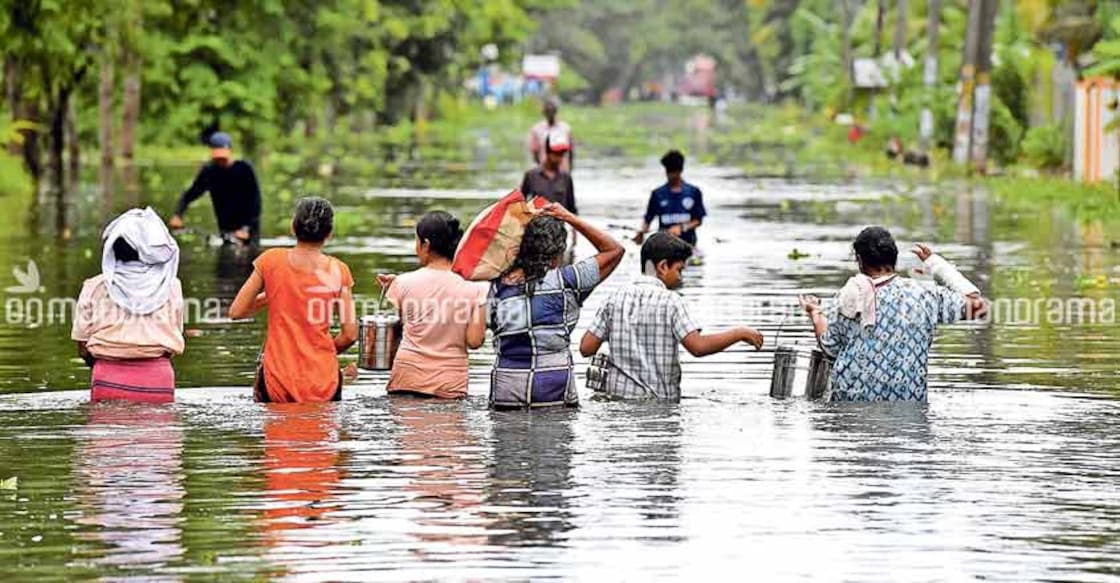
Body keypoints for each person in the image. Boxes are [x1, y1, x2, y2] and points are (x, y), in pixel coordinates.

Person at [799, 226, 989, 402]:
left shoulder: (848, 295)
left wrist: (815, 312)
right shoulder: (925, 295)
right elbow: (979, 306)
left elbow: (829, 347)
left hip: (852, 410)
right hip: (909, 411)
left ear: (860, 260)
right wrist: (937, 265)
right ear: (894, 259)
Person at [579, 233, 763, 400]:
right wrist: (739, 333)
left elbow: (586, 348)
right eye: (679, 270)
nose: (680, 278)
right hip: (661, 407)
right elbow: (698, 347)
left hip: (618, 406)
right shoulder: (672, 302)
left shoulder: (614, 299)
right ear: (663, 266)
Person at [488, 203, 624, 408]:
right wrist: (569, 217)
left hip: (506, 388)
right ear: (557, 253)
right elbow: (615, 250)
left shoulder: (497, 287)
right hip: (553, 387)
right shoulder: (569, 281)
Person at [229, 197, 358, 403]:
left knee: (278, 422)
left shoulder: (270, 260)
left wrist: (273, 293)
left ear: (293, 227)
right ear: (329, 233)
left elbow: (237, 311)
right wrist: (320, 353)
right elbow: (350, 335)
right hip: (323, 379)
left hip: (277, 378)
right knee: (320, 422)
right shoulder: (339, 270)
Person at [71, 208, 185, 403]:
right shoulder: (171, 286)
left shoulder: (95, 286)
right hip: (159, 381)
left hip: (107, 379)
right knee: (160, 424)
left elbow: (82, 346)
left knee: (107, 422)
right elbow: (175, 335)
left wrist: (107, 366)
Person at [377, 211, 488, 399]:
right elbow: (475, 341)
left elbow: (404, 325)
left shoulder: (402, 283)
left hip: (406, 381)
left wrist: (395, 285)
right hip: (449, 385)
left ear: (426, 245)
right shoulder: (477, 288)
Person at [169, 132, 262, 244]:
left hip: (249, 229)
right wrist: (178, 215)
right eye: (218, 158)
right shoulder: (210, 171)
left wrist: (245, 228)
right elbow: (191, 194)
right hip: (226, 228)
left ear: (230, 151)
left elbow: (255, 202)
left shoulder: (244, 169)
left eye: (223, 158)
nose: (221, 161)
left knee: (249, 251)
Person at [634, 150, 707, 248]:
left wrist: (681, 227)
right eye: (668, 171)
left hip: (688, 244)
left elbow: (698, 220)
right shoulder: (657, 194)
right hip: (665, 245)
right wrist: (642, 232)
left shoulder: (693, 192)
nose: (670, 175)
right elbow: (648, 219)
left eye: (673, 171)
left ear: (680, 170)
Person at [520, 133, 577, 215]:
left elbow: (572, 207)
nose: (560, 158)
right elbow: (521, 204)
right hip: (538, 220)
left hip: (560, 221)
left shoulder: (566, 177)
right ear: (548, 152)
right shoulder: (531, 175)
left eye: (562, 154)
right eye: (557, 154)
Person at [528, 98, 573, 171]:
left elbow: (570, 152)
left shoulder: (565, 128)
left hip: (563, 170)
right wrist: (542, 169)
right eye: (548, 111)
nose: (550, 113)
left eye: (552, 111)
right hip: (544, 170)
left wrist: (570, 169)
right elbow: (535, 153)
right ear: (544, 113)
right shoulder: (537, 129)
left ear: (556, 111)